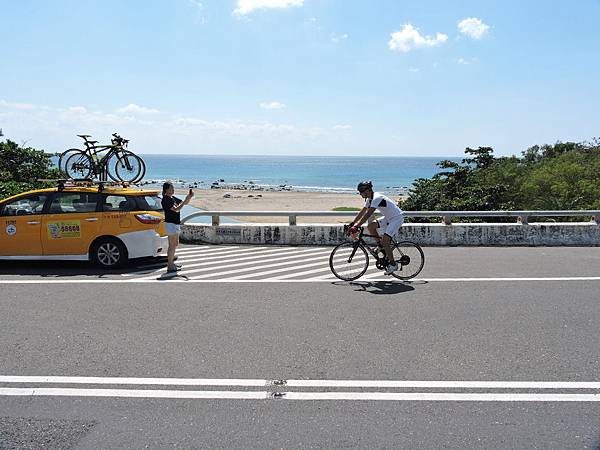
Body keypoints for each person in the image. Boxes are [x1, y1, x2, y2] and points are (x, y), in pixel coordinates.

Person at [348, 181, 404, 275]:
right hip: (388, 218)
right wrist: (353, 223)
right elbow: (363, 211)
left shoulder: (377, 197)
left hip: (396, 218)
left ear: (368, 190)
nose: (360, 193)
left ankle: (393, 264)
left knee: (386, 240)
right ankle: (380, 246)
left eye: (361, 191)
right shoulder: (370, 199)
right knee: (370, 227)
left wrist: (357, 226)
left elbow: (368, 214)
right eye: (360, 191)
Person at [161, 182, 194, 273]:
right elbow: (176, 209)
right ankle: (170, 265)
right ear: (166, 190)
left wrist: (189, 197)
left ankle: (171, 263)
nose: (173, 189)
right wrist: (182, 204)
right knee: (172, 245)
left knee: (175, 244)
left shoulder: (173, 198)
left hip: (175, 224)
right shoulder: (165, 200)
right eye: (171, 188)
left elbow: (184, 203)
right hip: (170, 224)